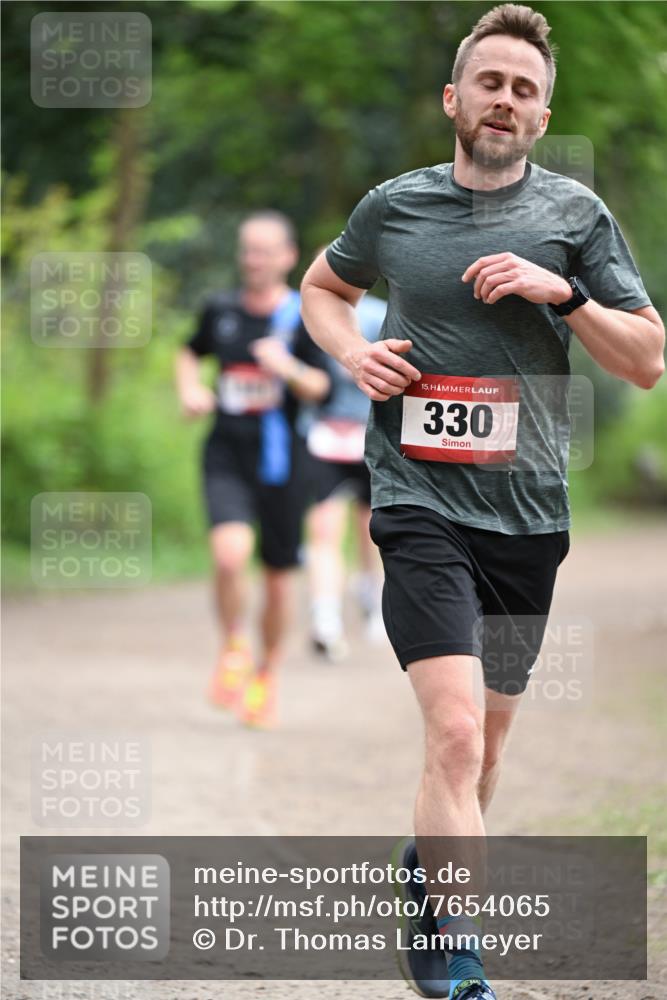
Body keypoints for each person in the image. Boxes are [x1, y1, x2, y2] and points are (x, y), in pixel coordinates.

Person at [301, 5, 664, 999]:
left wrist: (565, 296)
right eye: (489, 82)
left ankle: (423, 876)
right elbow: (321, 289)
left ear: (542, 117)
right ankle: (458, 956)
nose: (504, 100)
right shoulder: (393, 207)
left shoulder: (578, 220)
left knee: (488, 743)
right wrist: (350, 351)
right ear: (452, 98)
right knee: (455, 730)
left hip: (528, 517)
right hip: (416, 500)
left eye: (523, 89)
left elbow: (646, 362)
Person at [176, 210, 330, 729]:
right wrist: (191, 389)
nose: (253, 260)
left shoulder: (303, 317)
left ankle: (268, 673)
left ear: (288, 257)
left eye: (264, 251)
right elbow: (188, 352)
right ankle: (234, 648)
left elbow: (323, 388)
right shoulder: (220, 309)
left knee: (279, 581)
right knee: (227, 555)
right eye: (247, 250)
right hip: (226, 454)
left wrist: (285, 366)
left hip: (285, 464)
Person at [305, 289, 387, 661]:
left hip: (372, 436)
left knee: (371, 532)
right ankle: (326, 621)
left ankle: (373, 598)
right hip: (324, 437)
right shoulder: (305, 315)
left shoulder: (383, 315)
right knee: (324, 531)